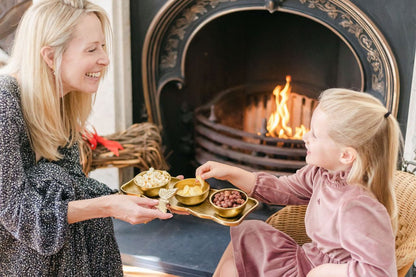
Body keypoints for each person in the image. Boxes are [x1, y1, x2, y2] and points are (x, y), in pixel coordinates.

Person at [0, 0, 173, 276]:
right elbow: (18, 214)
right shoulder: (4, 106)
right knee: (49, 179)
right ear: (50, 56)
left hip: (42, 249)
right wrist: (108, 205)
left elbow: (73, 182)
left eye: (103, 46)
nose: (104, 59)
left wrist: (140, 199)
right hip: (13, 254)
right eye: (92, 49)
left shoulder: (61, 100)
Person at [196, 88, 402, 277]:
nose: (305, 137)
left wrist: (324, 272)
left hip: (319, 273)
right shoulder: (321, 174)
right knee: (247, 233)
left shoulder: (357, 206)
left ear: (346, 155)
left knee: (235, 261)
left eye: (315, 135)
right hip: (307, 261)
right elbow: (282, 188)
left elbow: (380, 272)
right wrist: (231, 173)